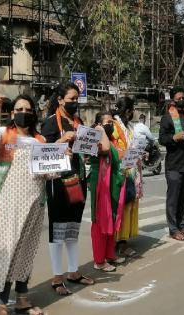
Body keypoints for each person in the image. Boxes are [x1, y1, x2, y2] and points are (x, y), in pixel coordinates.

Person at [0, 92, 67, 315]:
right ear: (12, 113)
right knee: (7, 252)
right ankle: (1, 302)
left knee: (26, 252)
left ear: (34, 113)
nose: (23, 113)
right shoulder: (2, 135)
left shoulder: (40, 141)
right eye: (19, 110)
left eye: (28, 110)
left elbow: (51, 174)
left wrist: (61, 157)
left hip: (35, 206)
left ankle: (22, 300)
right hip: (9, 206)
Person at [41, 83, 94, 296]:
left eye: (76, 98)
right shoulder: (51, 122)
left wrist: (91, 147)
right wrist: (62, 142)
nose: (74, 102)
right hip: (58, 183)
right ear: (61, 100)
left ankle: (73, 272)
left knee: (72, 229)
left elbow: (83, 149)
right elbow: (42, 154)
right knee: (58, 230)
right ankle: (56, 277)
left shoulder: (78, 121)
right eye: (71, 99)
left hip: (78, 180)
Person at [89, 111, 125, 272]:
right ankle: (99, 260)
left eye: (112, 122)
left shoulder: (111, 140)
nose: (111, 125)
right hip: (100, 181)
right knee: (99, 219)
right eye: (108, 122)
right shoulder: (96, 137)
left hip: (112, 182)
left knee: (112, 216)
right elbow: (103, 149)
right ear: (98, 124)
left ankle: (110, 254)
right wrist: (100, 129)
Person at [159, 87, 184, 241]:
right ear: (173, 100)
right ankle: (173, 229)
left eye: (183, 98)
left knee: (183, 197)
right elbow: (162, 139)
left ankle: (182, 225)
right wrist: (175, 137)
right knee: (173, 198)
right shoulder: (167, 117)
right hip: (174, 164)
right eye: (179, 98)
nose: (182, 100)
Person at [112, 97, 143, 255]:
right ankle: (120, 242)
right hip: (121, 172)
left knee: (129, 205)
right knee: (122, 206)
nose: (133, 113)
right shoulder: (114, 125)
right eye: (133, 110)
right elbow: (111, 147)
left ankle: (124, 239)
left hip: (132, 170)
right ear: (128, 111)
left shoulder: (127, 126)